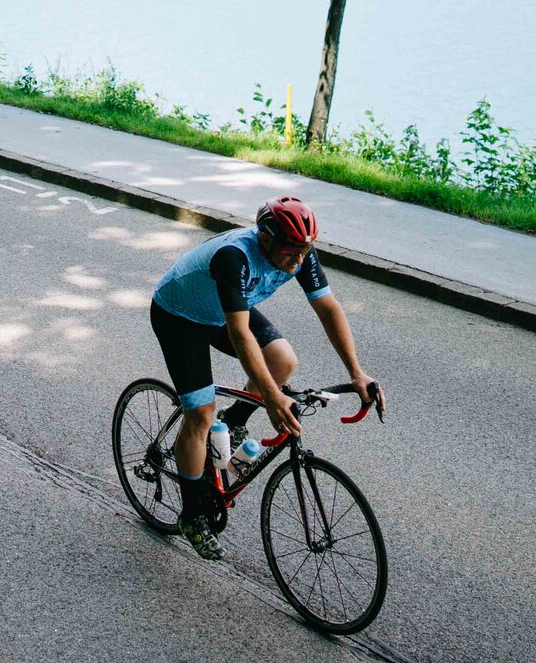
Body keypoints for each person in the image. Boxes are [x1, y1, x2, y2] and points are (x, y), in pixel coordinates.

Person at [148, 196, 384, 561]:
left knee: (283, 360)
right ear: (267, 239)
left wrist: (357, 373)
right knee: (200, 413)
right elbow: (241, 335)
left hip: (221, 313)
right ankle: (192, 515)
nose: (299, 261)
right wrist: (273, 399)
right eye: (292, 251)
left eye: (305, 250)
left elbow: (328, 308)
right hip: (180, 316)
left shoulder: (300, 254)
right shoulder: (234, 257)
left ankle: (234, 421)